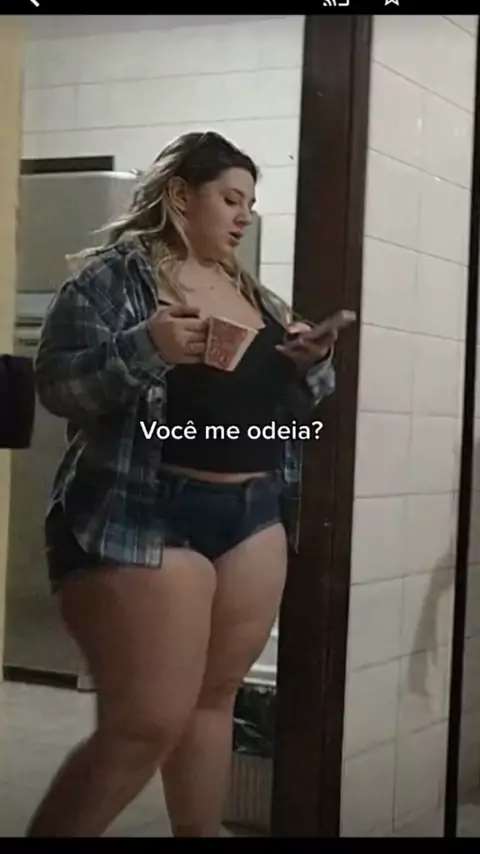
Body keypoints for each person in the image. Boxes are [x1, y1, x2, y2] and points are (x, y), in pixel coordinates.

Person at [27, 131, 339, 838]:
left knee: (213, 698)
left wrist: (310, 364)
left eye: (250, 203)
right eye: (230, 199)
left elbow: (299, 401)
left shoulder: (252, 290)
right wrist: (149, 346)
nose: (243, 215)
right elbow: (58, 388)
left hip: (253, 512)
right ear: (178, 195)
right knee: (145, 722)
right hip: (144, 509)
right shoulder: (109, 281)